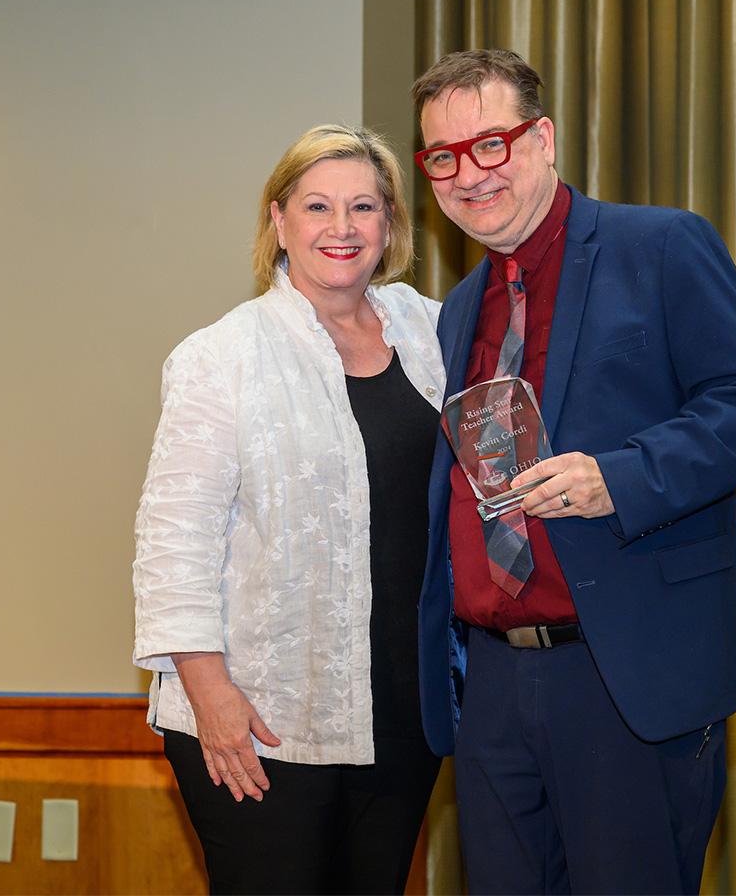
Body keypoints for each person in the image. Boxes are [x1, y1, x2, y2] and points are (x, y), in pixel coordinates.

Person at [412, 49, 736, 895]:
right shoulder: (456, 314)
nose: (467, 174)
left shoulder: (659, 246)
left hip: (623, 676)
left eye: (490, 144)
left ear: (543, 138)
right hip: (491, 688)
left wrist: (619, 477)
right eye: (442, 157)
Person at [132, 125, 444, 895]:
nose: (341, 228)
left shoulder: (434, 331)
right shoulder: (222, 356)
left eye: (363, 207)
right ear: (279, 220)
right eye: (317, 206)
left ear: (390, 225)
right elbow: (175, 540)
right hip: (262, 716)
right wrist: (210, 695)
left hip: (404, 713)